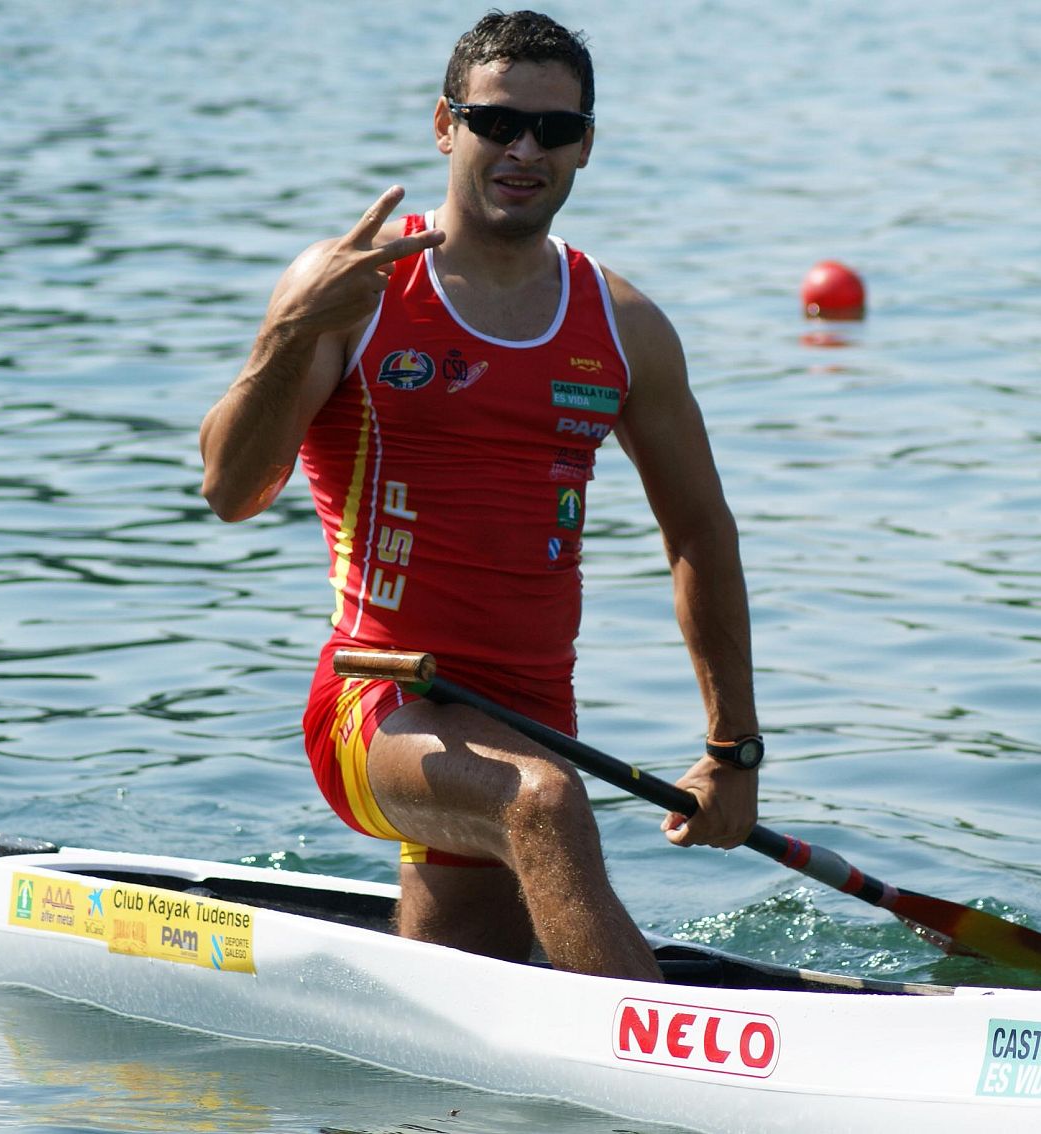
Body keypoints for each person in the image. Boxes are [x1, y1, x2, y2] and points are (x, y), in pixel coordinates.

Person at [199, 9, 759, 982]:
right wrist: (292, 331)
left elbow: (701, 534)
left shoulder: (625, 326)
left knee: (464, 982)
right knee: (539, 804)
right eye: (496, 122)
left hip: (531, 707)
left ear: (586, 144)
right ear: (444, 126)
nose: (522, 149)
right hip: (378, 700)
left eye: (553, 129)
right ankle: (668, 1072)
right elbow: (231, 490)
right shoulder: (357, 287)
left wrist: (732, 752)